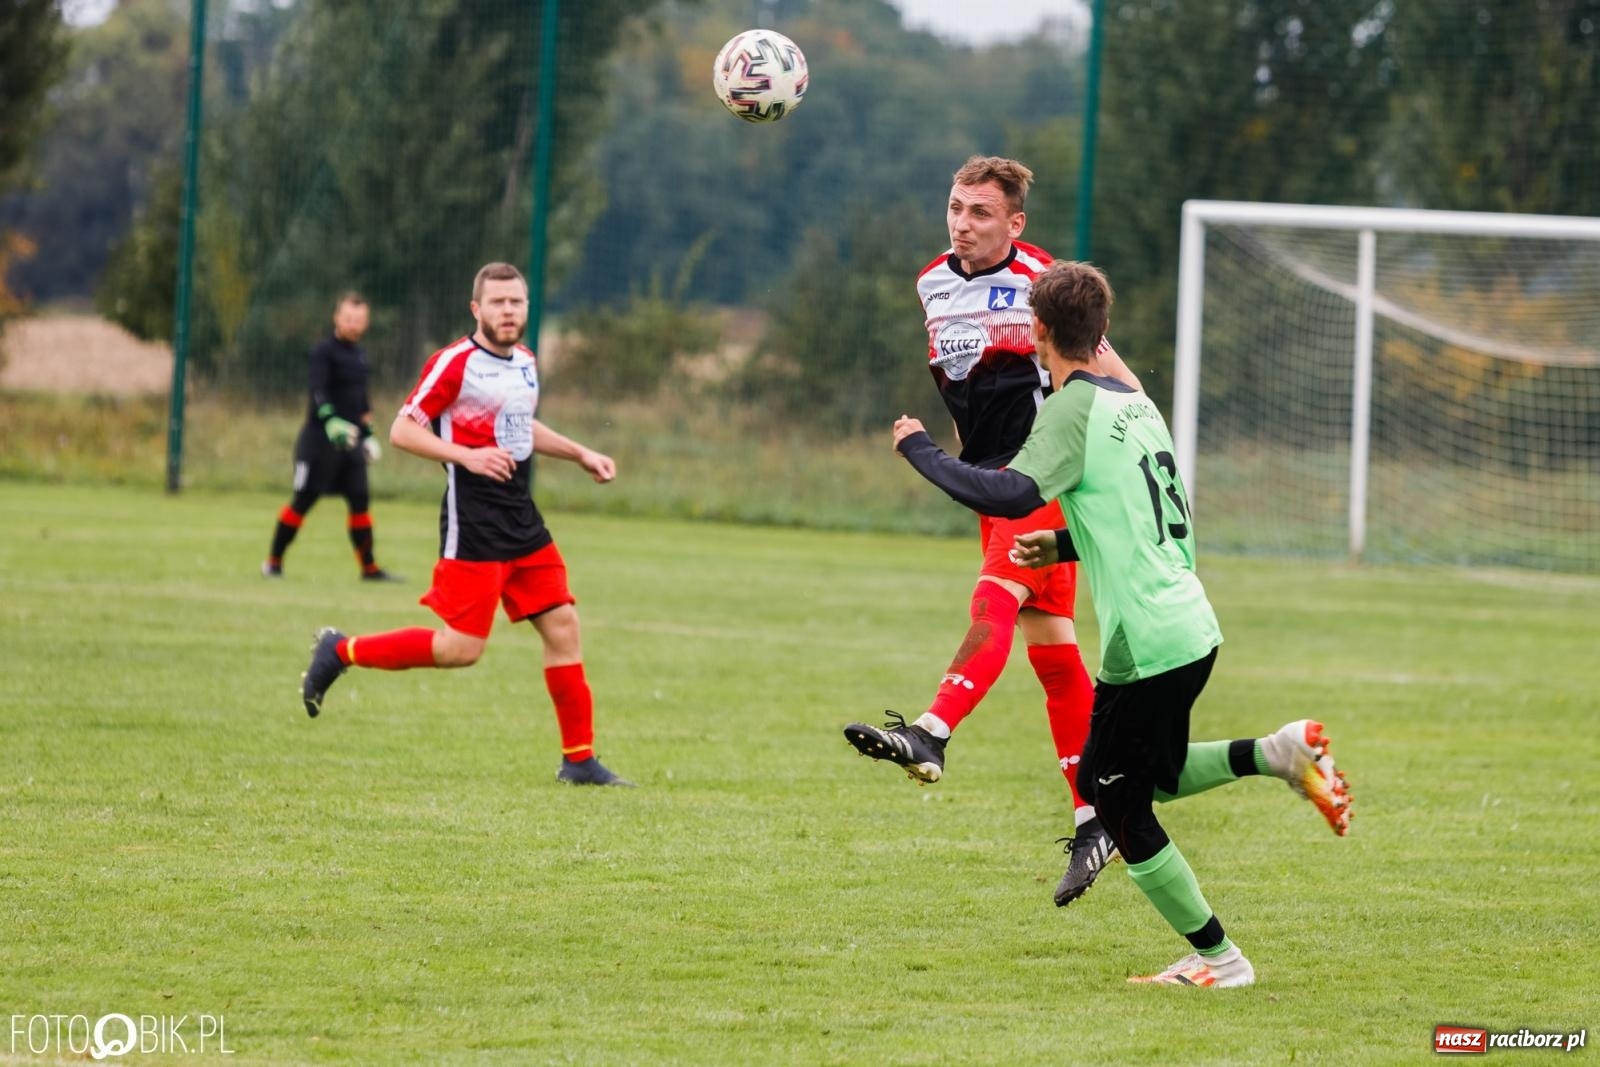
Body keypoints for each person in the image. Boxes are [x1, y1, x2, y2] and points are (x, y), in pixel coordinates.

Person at [891, 259, 1351, 987]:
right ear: (1103, 332)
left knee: (1121, 808)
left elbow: (1007, 492)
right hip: (1191, 624)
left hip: (1146, 646)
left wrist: (919, 447)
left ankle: (1219, 960)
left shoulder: (1069, 410)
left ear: (1038, 331)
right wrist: (1069, 542)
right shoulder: (1136, 403)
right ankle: (1279, 753)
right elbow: (1143, 517)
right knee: (1152, 777)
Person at [843, 156, 1141, 907]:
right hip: (996, 480)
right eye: (954, 207)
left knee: (998, 594)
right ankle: (1093, 817)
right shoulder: (929, 284)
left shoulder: (1046, 285)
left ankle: (932, 730)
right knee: (1053, 650)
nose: (962, 222)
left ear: (1015, 224)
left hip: (1044, 477)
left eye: (981, 212)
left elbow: (1123, 383)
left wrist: (1124, 445)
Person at [299, 262, 632, 786]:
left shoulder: (524, 361)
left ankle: (580, 760)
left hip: (522, 521)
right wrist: (466, 456)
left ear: (526, 308)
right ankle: (342, 650)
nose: (507, 311)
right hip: (473, 524)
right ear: (477, 309)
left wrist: (580, 452)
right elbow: (404, 429)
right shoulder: (454, 363)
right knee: (461, 649)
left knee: (564, 625)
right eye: (497, 303)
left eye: (516, 302)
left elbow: (520, 425)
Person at [263, 292, 400, 582]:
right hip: (319, 442)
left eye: (359, 320)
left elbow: (361, 400)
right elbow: (317, 390)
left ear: (366, 322)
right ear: (336, 317)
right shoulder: (323, 352)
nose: (353, 324)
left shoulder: (361, 356)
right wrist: (329, 420)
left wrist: (368, 434)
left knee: (360, 499)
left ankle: (370, 569)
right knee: (303, 500)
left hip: (350, 444)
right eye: (349, 318)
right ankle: (273, 562)